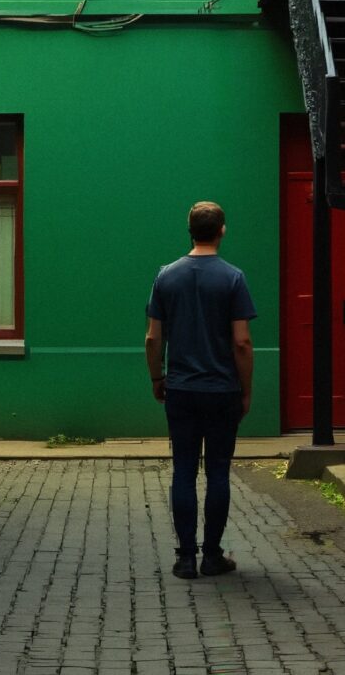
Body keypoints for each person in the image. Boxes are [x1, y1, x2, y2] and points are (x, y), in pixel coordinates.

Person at [144, 199, 256, 580]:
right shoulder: (233, 278)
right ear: (221, 230)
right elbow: (242, 342)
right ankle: (212, 555)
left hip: (181, 388)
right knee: (219, 472)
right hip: (221, 388)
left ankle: (185, 558)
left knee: (183, 471)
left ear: (189, 230)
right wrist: (245, 389)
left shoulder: (165, 277)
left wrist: (158, 378)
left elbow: (152, 338)